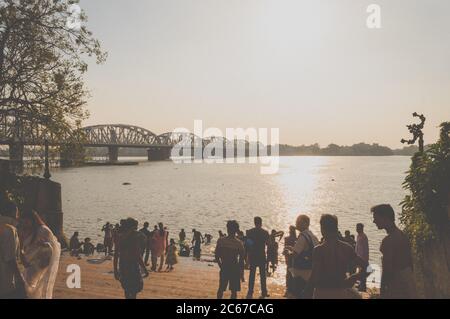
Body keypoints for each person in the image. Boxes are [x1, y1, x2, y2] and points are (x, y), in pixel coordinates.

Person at [309, 214, 369, 299]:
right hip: (340, 291)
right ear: (336, 228)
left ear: (322, 229)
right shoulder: (347, 248)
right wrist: (354, 277)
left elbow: (314, 276)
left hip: (322, 292)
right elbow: (368, 268)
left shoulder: (319, 250)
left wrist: (306, 291)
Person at [371, 204, 417, 299]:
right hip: (408, 282)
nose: (374, 221)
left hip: (396, 285)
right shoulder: (402, 235)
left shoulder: (388, 241)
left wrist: (383, 291)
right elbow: (410, 263)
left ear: (385, 218)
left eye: (376, 218)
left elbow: (387, 270)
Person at [19, 209, 61, 299]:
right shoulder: (28, 230)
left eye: (27, 221)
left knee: (31, 284)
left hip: (39, 262)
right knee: (28, 284)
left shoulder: (43, 230)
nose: (25, 223)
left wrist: (43, 246)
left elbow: (52, 248)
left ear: (33, 220)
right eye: (23, 221)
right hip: (29, 261)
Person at [114, 218, 149, 299]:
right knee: (134, 290)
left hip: (123, 265)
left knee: (126, 288)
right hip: (132, 265)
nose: (136, 228)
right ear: (132, 227)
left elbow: (116, 255)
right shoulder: (135, 237)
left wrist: (115, 270)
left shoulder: (119, 236)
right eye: (136, 226)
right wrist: (144, 268)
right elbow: (137, 254)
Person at [285, 215, 319, 298]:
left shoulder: (302, 236)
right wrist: (292, 248)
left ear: (305, 223)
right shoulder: (312, 235)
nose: (296, 223)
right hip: (310, 270)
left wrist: (287, 252)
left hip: (301, 271)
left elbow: (295, 255)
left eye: (298, 222)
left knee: (297, 294)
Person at [0, 201, 26, 299]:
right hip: (5, 282)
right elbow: (10, 259)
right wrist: (20, 278)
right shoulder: (9, 230)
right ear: (13, 212)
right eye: (17, 213)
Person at [215, 220, 245, 299]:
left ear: (227, 229)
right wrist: (241, 273)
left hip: (224, 266)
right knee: (234, 291)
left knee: (221, 289)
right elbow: (241, 260)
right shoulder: (239, 243)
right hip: (234, 268)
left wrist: (221, 266)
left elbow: (217, 256)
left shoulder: (221, 241)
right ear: (236, 230)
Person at [245, 216, 269, 299]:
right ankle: (264, 291)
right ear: (261, 223)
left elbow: (248, 245)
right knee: (263, 275)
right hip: (262, 255)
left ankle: (250, 292)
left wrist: (247, 257)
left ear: (254, 222)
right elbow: (268, 244)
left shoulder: (250, 232)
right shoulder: (265, 233)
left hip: (253, 255)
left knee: (252, 275)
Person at [282, 225, 297, 296]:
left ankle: (288, 290)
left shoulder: (286, 239)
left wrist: (286, 257)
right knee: (293, 274)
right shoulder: (297, 239)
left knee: (288, 274)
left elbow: (285, 249)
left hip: (288, 258)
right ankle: (292, 290)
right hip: (294, 259)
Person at [355, 223, 369, 292]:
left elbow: (366, 249)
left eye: (358, 227)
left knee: (363, 272)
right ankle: (361, 284)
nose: (356, 229)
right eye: (356, 227)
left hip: (363, 257)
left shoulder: (364, 237)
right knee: (360, 271)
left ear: (361, 228)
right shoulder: (358, 236)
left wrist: (365, 259)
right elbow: (357, 247)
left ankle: (363, 286)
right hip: (358, 256)